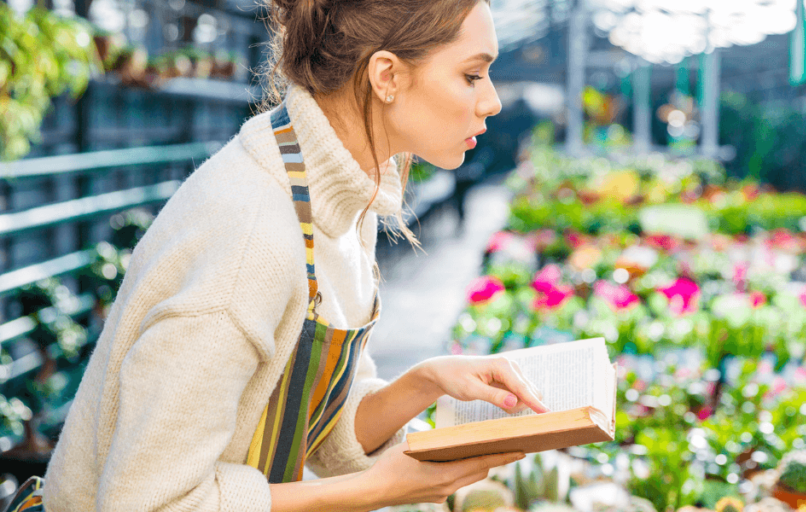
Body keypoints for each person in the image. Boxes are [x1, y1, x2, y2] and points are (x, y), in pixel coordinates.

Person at [7, 1, 548, 511]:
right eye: (473, 74)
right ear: (386, 76)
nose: (493, 100)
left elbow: (318, 426)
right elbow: (149, 500)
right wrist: (369, 492)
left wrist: (427, 380)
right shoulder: (251, 237)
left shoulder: (331, 199)